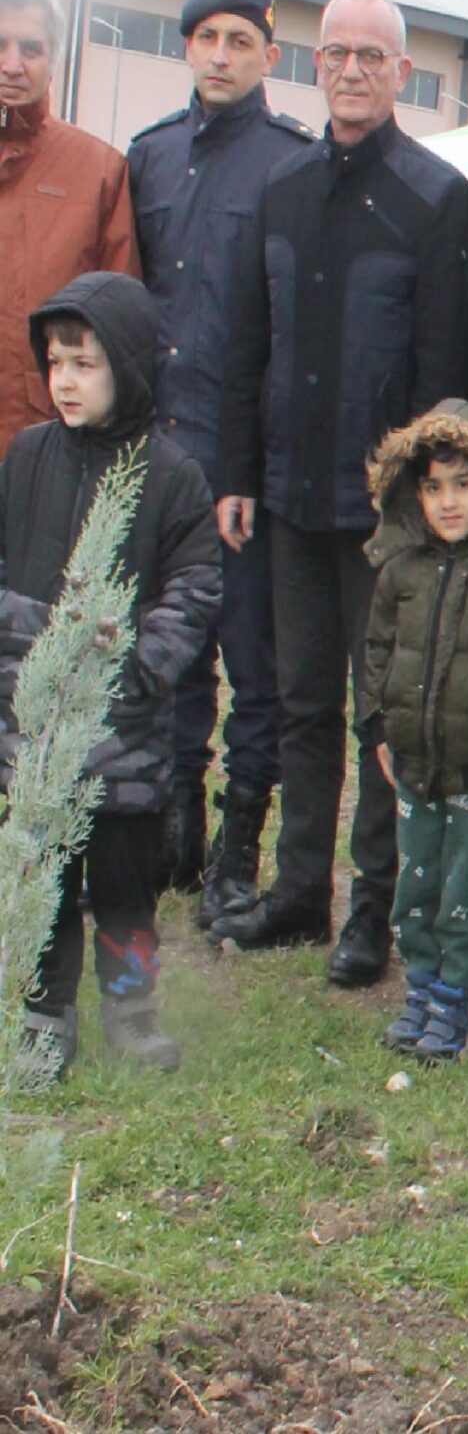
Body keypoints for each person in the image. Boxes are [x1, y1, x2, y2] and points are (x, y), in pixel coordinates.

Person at [210, 0, 468, 989]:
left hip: (383, 518)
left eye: (372, 55)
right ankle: (294, 894)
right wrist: (239, 473)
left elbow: (445, 373)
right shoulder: (282, 191)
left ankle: (370, 912)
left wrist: (423, 500)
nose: (353, 70)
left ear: (401, 73)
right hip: (285, 497)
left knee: (381, 717)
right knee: (297, 700)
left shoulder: (434, 198)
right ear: (311, 67)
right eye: (336, 54)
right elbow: (249, 345)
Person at [125, 0, 312, 922]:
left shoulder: (290, 163)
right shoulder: (150, 157)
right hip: (154, 453)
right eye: (208, 37)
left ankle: (241, 849)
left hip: (240, 459)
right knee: (170, 652)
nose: (223, 54)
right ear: (188, 48)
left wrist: (246, 462)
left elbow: (284, 327)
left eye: (242, 39)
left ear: (270, 57)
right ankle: (174, 828)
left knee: (253, 660)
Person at [2, 273, 219, 1080]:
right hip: (33, 729)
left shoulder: (170, 475)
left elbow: (195, 592)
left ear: (126, 367)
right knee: (44, 889)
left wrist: (132, 661)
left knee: (126, 892)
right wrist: (40, 635)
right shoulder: (25, 459)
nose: (65, 379)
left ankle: (131, 1010)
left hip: (125, 739)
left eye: (86, 362)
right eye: (56, 361)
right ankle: (40, 1019)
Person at [356, 400, 468, 1064]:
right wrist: (376, 726)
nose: (448, 501)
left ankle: (454, 999)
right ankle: (419, 990)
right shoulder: (398, 574)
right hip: (412, 762)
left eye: (462, 484)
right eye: (433, 487)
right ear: (413, 493)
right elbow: (375, 653)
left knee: (465, 889)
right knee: (417, 883)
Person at [0, 0, 138, 451]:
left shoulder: (98, 170)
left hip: (51, 446)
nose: (12, 64)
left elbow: (121, 327)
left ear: (54, 58)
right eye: (1, 44)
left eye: (31, 49)